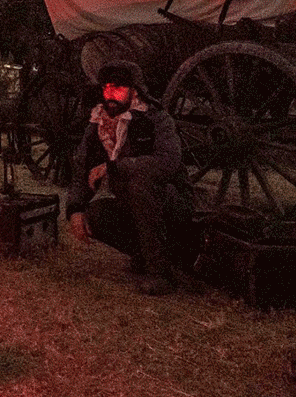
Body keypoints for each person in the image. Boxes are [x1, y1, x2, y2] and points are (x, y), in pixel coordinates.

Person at [66, 59, 198, 295]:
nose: (110, 94)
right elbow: (81, 165)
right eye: (106, 88)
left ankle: (160, 274)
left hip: (172, 203)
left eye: (118, 88)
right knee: (97, 215)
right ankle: (147, 255)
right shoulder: (98, 123)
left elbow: (167, 163)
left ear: (134, 91)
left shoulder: (155, 119)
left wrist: (113, 167)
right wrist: (76, 208)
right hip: (133, 203)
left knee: (141, 185)